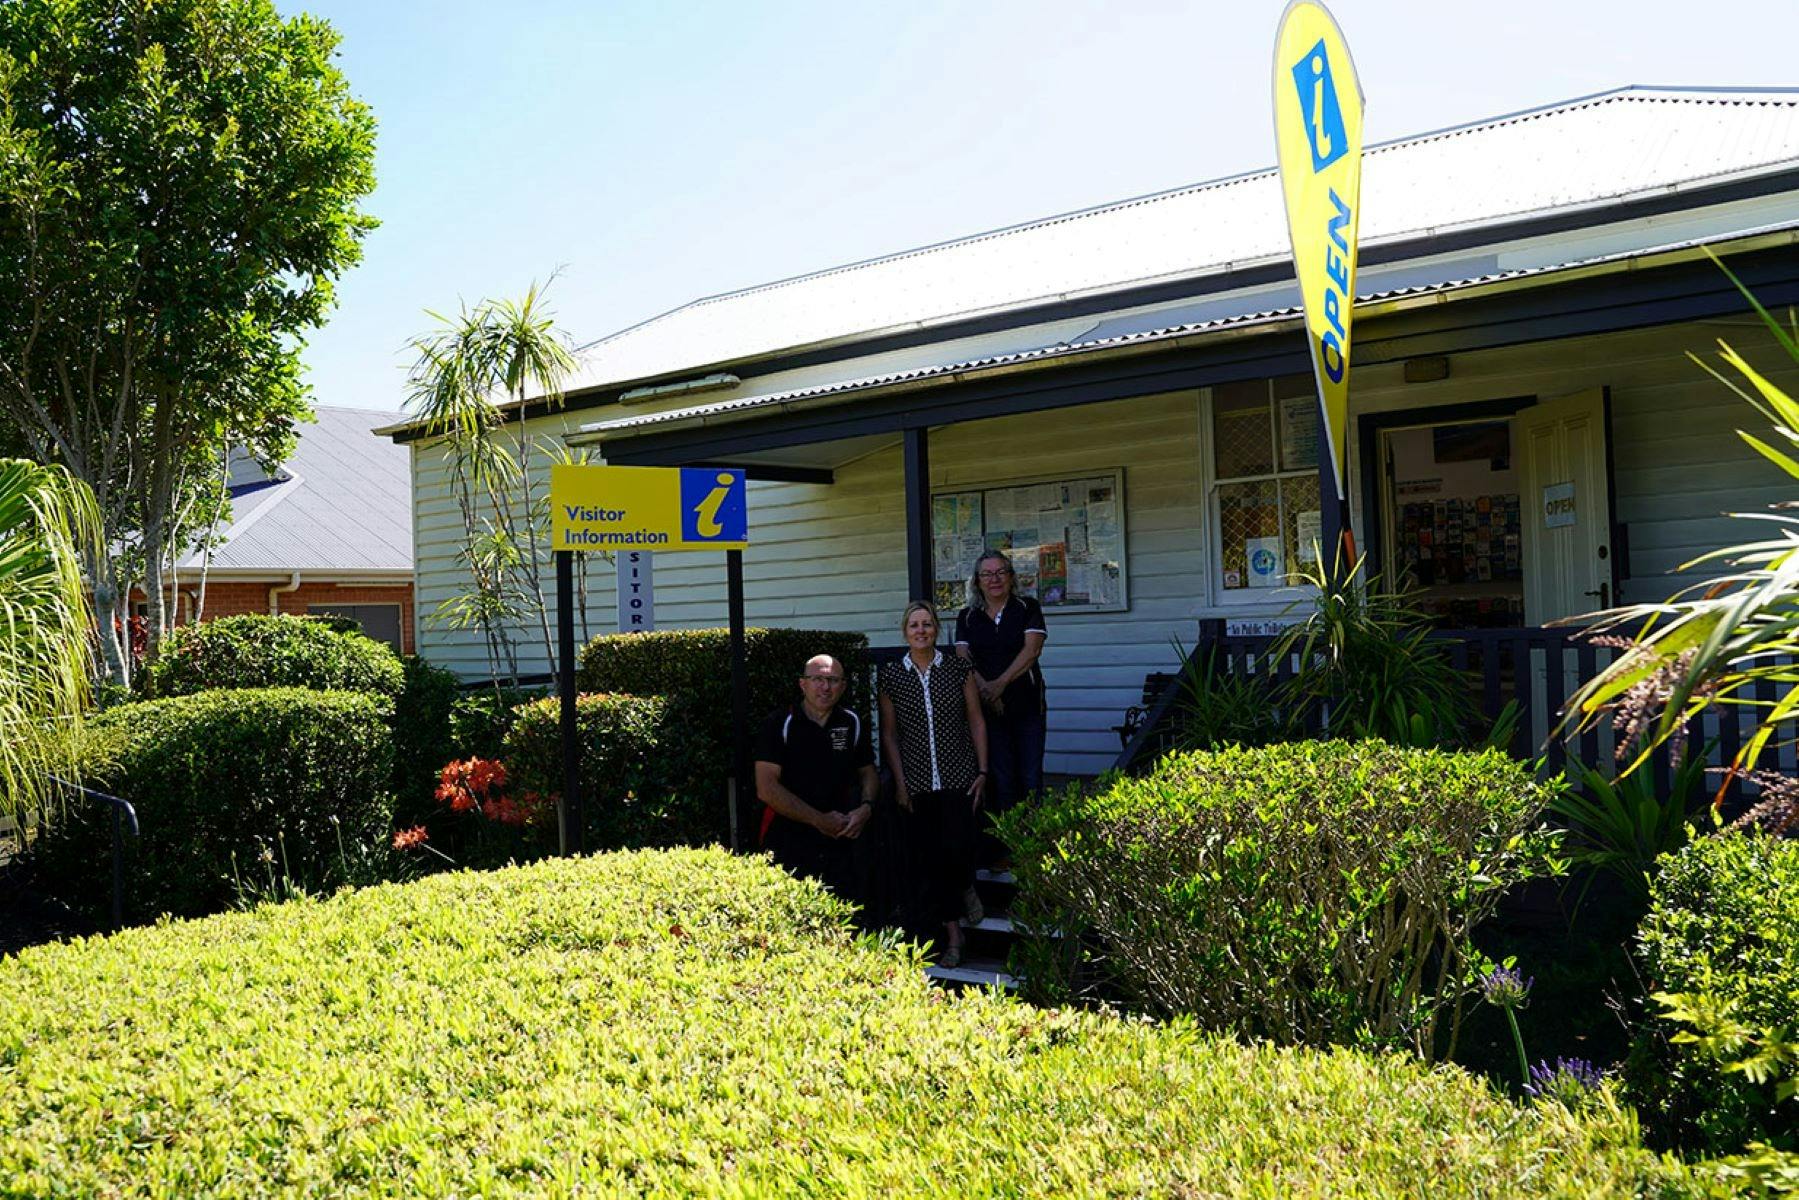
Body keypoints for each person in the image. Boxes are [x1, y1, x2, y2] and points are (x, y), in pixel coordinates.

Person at [878, 601, 988, 968]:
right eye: (914, 625)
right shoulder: (892, 676)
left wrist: (983, 770)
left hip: (959, 774)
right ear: (905, 631)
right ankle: (954, 936)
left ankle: (966, 884)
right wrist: (900, 784)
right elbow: (890, 735)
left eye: (927, 624)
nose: (921, 630)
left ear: (937, 629)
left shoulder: (958, 669)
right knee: (934, 860)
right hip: (918, 779)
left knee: (958, 847)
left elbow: (975, 721)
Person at [754, 653, 880, 913]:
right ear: (803, 684)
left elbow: (868, 772)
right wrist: (818, 820)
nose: (826, 687)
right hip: (788, 838)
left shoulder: (851, 722)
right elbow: (766, 788)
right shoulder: (779, 724)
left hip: (841, 838)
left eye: (833, 680)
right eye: (818, 679)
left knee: (843, 916)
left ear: (843, 686)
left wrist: (866, 808)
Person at [954, 550, 1047, 866]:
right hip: (988, 711)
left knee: (1031, 778)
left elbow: (1031, 650)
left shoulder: (1027, 608)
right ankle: (1008, 850)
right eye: (986, 574)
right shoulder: (967, 616)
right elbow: (963, 657)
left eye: (1000, 572)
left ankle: (1034, 849)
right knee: (1002, 779)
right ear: (977, 581)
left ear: (1011, 577)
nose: (993, 579)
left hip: (1027, 706)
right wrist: (985, 689)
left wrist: (999, 685)